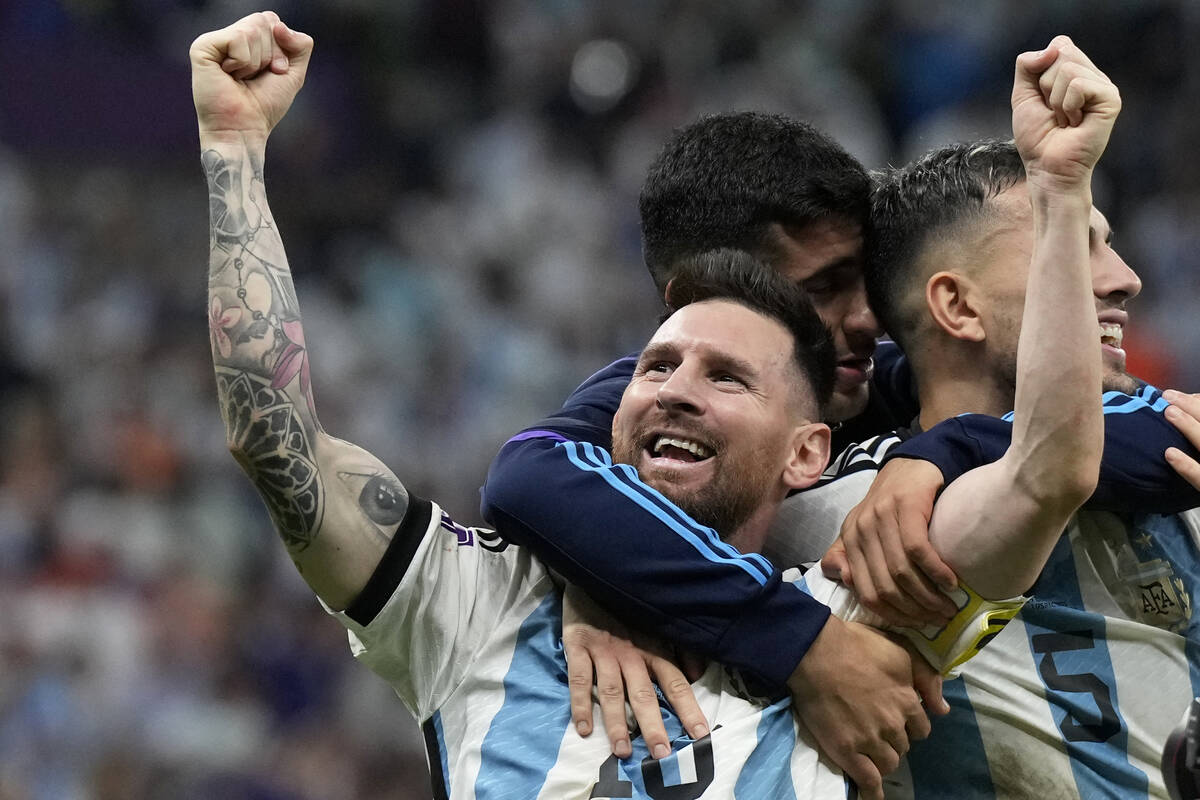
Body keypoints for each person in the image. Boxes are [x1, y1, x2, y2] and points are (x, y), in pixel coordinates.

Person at [191, 12, 932, 799]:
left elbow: (1041, 453)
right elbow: (278, 444)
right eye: (654, 367)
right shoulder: (482, 602)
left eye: (727, 378)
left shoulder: (858, 597)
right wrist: (233, 153)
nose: (676, 390)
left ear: (808, 448)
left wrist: (927, 464)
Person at [483, 36, 1200, 799]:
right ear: (707, 296)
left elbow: (1086, 434)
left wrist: (941, 451)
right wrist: (605, 590)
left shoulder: (897, 386)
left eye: (863, 283)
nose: (866, 320)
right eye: (822, 290)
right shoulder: (731, 456)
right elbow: (535, 476)